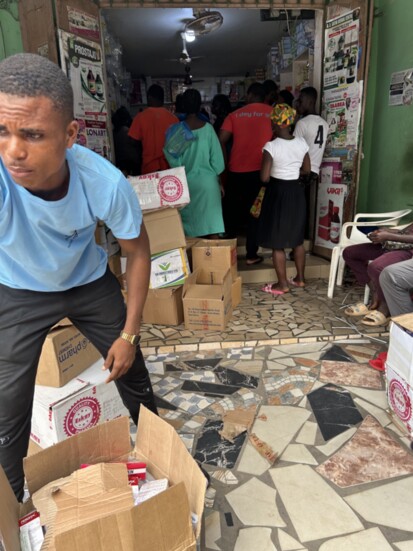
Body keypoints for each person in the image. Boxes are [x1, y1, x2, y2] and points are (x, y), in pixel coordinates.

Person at [0, 53, 157, 501]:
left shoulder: (104, 184)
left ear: (70, 135)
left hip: (88, 284)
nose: (14, 150)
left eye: (32, 134)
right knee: (7, 409)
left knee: (134, 374)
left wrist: (129, 334)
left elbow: (138, 251)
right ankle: (12, 508)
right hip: (17, 289)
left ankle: (159, 457)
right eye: (3, 131)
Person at [258, 104, 311, 295]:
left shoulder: (271, 146)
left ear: (274, 122)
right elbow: (306, 170)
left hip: (278, 193)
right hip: (296, 192)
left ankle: (282, 284)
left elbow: (264, 177)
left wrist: (276, 170)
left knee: (277, 241)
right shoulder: (301, 143)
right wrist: (291, 169)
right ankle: (300, 279)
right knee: (297, 239)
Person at [219, 82, 272, 264]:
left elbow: (221, 139)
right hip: (261, 172)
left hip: (235, 171)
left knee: (231, 214)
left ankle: (227, 257)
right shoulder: (273, 113)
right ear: (264, 97)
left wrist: (224, 162)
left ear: (249, 95)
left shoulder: (234, 115)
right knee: (255, 213)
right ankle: (251, 255)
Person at [164, 89, 225, 238]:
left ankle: (191, 261)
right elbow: (218, 162)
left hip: (186, 185)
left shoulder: (177, 130)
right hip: (208, 186)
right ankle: (214, 261)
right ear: (200, 105)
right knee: (212, 228)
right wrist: (219, 182)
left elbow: (174, 162)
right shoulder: (209, 129)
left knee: (188, 231)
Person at [343, 224, 413, 325]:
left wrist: (389, 236)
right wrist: (386, 231)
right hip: (393, 245)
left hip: (408, 251)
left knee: (376, 267)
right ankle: (375, 294)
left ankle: (385, 308)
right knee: (349, 253)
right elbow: (406, 232)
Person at [294, 87, 329, 239]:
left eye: (300, 101)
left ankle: (297, 239)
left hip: (301, 170)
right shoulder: (324, 123)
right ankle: (305, 238)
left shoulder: (302, 124)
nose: (297, 104)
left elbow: (294, 149)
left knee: (296, 208)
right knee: (304, 206)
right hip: (314, 170)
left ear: (310, 101)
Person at [128, 84, 178, 174]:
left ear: (149, 97)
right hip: (169, 167)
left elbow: (132, 141)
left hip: (149, 167)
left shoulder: (140, 117)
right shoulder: (174, 119)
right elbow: (179, 146)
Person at [112, 106, 141, 175]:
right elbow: (135, 144)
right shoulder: (127, 131)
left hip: (120, 162)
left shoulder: (114, 132)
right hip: (132, 163)